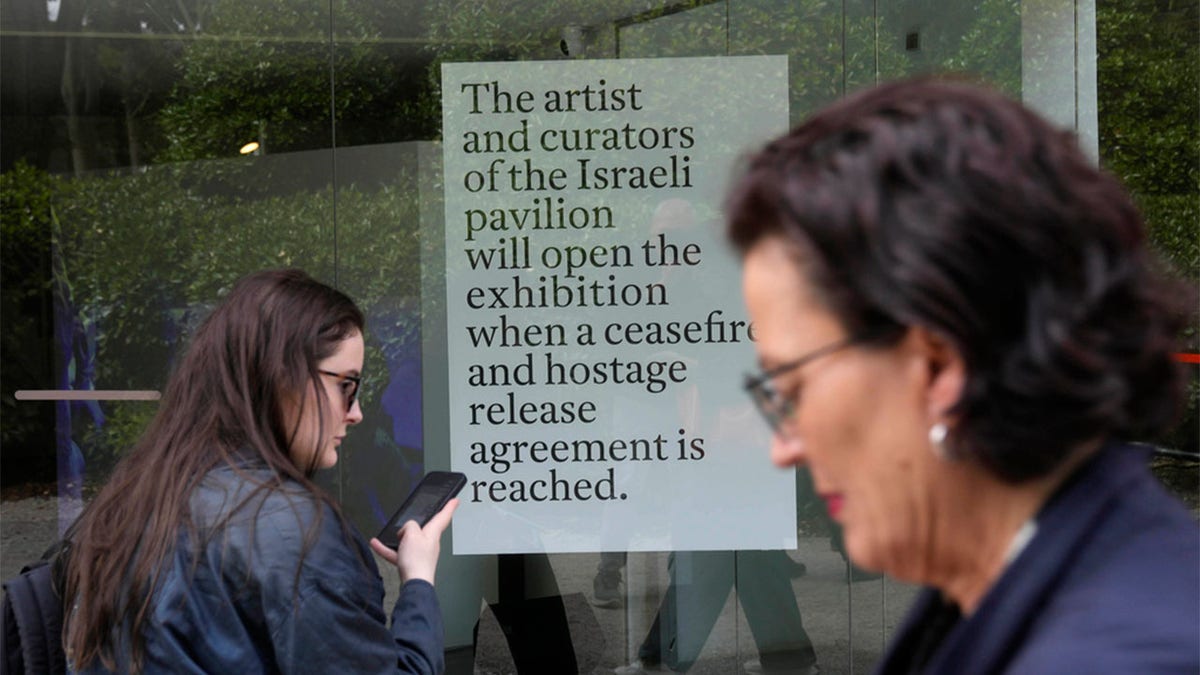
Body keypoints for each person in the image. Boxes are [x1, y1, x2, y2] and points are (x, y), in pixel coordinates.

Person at [725, 76, 1199, 673]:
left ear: (941, 365)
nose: (783, 447)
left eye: (792, 387)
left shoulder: (1120, 653)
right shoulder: (1016, 580)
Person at [62, 269, 457, 674]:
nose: (356, 413)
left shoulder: (145, 492)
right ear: (281, 375)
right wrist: (418, 581)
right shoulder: (295, 532)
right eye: (346, 386)